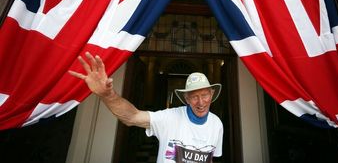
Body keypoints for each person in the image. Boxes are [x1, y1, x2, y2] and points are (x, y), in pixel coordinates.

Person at [68, 52, 223, 163]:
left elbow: (210, 159)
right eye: (195, 96)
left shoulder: (217, 125)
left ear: (212, 94)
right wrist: (107, 95)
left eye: (204, 95)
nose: (201, 102)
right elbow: (132, 117)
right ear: (187, 99)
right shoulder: (169, 118)